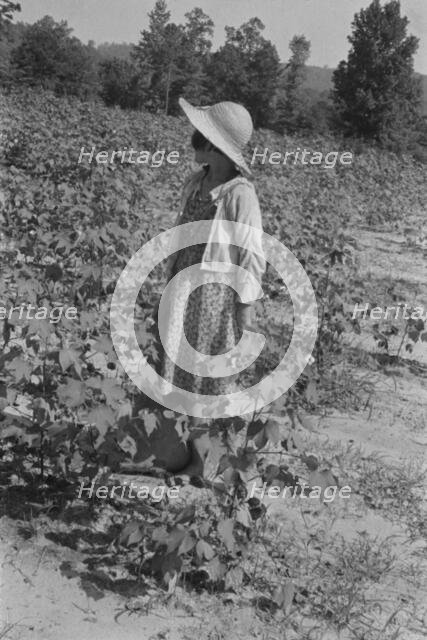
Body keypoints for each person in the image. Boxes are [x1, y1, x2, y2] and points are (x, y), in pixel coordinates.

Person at [157, 97, 266, 475]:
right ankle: (185, 453)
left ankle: (204, 464)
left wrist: (245, 308)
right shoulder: (197, 181)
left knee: (206, 378)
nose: (193, 140)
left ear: (214, 144)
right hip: (182, 287)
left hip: (215, 299)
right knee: (178, 371)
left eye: (200, 135)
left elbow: (250, 251)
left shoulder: (240, 194)